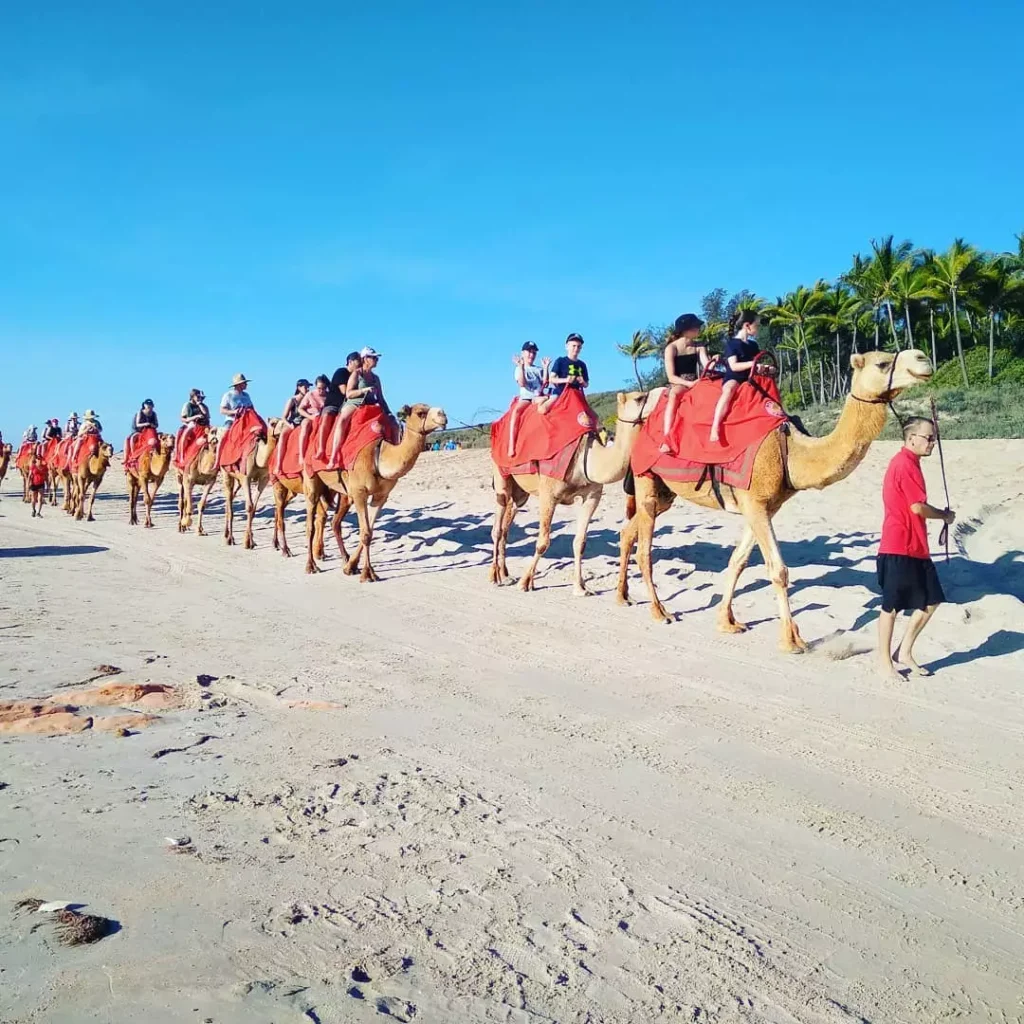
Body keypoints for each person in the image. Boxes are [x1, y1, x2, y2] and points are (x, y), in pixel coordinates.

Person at [876, 417, 955, 682]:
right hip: (898, 545)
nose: (933, 442)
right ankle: (884, 662)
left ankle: (904, 652)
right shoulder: (904, 464)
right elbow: (917, 507)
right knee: (891, 607)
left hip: (916, 546)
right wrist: (943, 515)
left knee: (932, 600)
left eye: (934, 437)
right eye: (928, 437)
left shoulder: (911, 463)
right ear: (912, 439)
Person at [709, 311, 760, 444]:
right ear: (747, 326)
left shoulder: (754, 345)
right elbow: (734, 366)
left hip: (751, 377)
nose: (758, 328)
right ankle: (715, 426)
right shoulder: (732, 344)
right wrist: (753, 364)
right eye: (757, 325)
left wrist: (766, 368)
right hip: (735, 377)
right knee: (729, 390)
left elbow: (759, 362)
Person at [660, 313, 708, 454]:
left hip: (697, 381)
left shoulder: (699, 346)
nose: (699, 328)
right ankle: (667, 439)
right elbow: (671, 377)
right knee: (674, 395)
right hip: (679, 383)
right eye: (696, 326)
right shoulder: (671, 348)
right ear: (686, 329)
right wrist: (689, 384)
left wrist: (714, 362)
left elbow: (706, 365)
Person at [330, 347, 384, 464]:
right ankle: (334, 455)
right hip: (355, 402)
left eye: (376, 358)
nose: (376, 360)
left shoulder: (376, 378)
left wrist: (388, 412)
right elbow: (348, 393)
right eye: (373, 357)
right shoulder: (356, 374)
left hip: (370, 404)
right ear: (365, 359)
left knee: (392, 423)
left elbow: (381, 398)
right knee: (342, 420)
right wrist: (364, 390)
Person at [508, 341, 551, 457]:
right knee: (516, 412)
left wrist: (546, 368)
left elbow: (545, 383)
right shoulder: (519, 369)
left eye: (534, 353)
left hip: (539, 395)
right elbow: (522, 383)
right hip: (527, 397)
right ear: (523, 353)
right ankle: (511, 445)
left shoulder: (538, 369)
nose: (531, 355)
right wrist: (521, 367)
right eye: (529, 352)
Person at [317, 352, 362, 461]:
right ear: (350, 361)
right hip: (334, 404)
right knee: (327, 416)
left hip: (349, 404)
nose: (360, 364)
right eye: (358, 361)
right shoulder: (341, 372)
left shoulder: (360, 376)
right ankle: (321, 448)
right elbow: (344, 391)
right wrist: (361, 391)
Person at [546, 333, 589, 408]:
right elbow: (551, 379)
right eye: (574, 346)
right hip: (561, 392)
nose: (576, 349)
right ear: (567, 346)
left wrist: (583, 382)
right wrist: (566, 380)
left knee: (589, 416)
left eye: (578, 347)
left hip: (576, 394)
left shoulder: (582, 364)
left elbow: (586, 384)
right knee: (544, 409)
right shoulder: (560, 361)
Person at [295, 374, 328, 464]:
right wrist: (310, 417)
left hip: (323, 417)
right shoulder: (310, 394)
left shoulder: (328, 396)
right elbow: (300, 409)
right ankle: (301, 456)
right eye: (319, 388)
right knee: (305, 425)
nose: (321, 390)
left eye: (324, 388)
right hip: (310, 416)